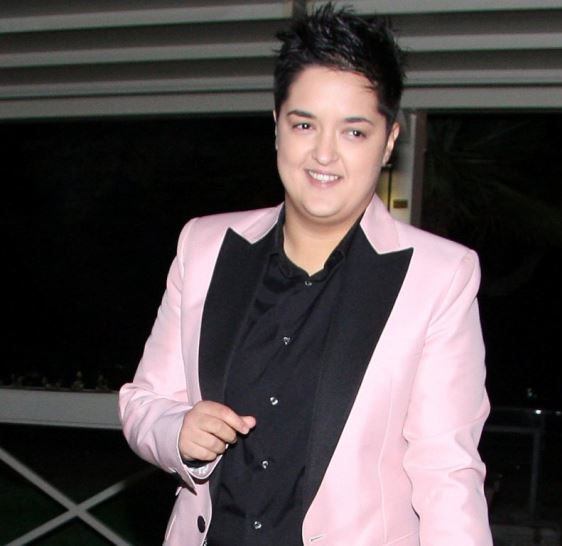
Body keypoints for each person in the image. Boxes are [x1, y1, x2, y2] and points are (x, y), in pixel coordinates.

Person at [119, 4, 492, 545]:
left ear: (389, 140)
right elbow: (142, 402)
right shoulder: (203, 247)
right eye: (304, 124)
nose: (324, 153)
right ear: (277, 126)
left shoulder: (439, 277)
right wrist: (178, 431)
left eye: (354, 132)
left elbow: (447, 472)